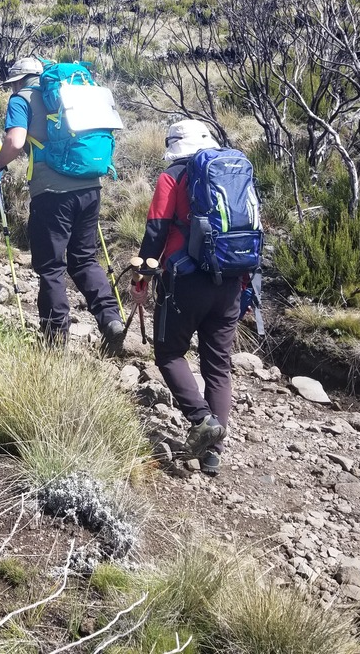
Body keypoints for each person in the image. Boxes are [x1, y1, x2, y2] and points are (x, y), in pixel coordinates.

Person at [0, 56, 124, 345]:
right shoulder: (71, 92)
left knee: (51, 266)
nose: (12, 89)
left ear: (19, 81)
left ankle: (55, 334)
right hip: (90, 186)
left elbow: (14, 142)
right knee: (85, 258)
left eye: (13, 84)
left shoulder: (21, 100)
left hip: (51, 192)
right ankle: (110, 318)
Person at [133, 119, 244, 477]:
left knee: (168, 353)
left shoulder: (173, 175)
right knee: (217, 365)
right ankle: (213, 454)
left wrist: (142, 278)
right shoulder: (233, 170)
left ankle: (201, 419)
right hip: (230, 278)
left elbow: (156, 230)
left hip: (184, 279)